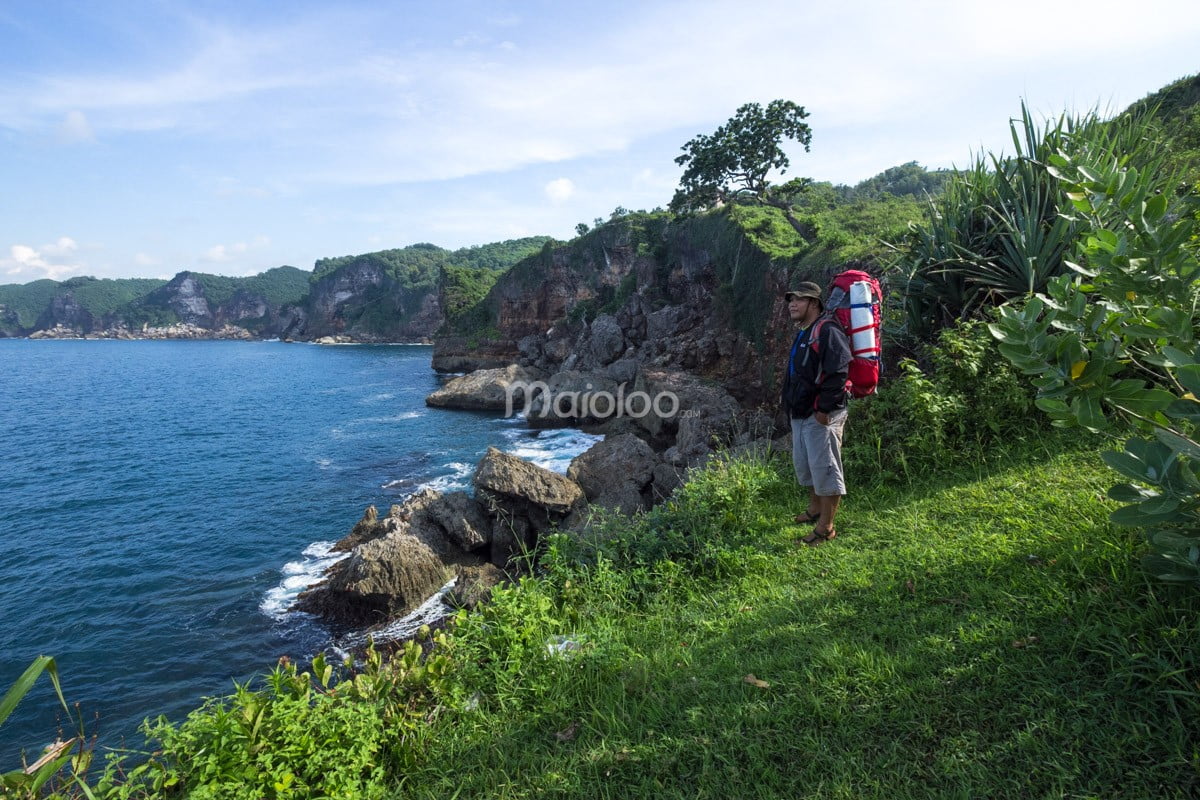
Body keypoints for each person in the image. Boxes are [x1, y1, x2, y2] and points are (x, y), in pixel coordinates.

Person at [781, 281, 851, 546]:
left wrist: (824, 409)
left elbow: (839, 371)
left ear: (814, 303)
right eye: (791, 300)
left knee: (825, 469)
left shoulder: (828, 330)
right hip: (801, 413)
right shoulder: (805, 332)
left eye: (799, 299)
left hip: (820, 415)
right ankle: (815, 509)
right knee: (806, 466)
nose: (792, 304)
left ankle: (826, 528)